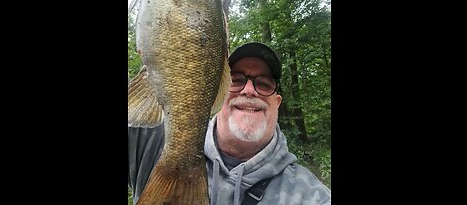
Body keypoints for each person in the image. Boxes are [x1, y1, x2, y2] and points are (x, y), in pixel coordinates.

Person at [128, 42, 331, 204]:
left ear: (277, 104)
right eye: (237, 80)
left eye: (264, 83)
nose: (250, 90)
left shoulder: (312, 197)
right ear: (217, 92)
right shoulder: (151, 141)